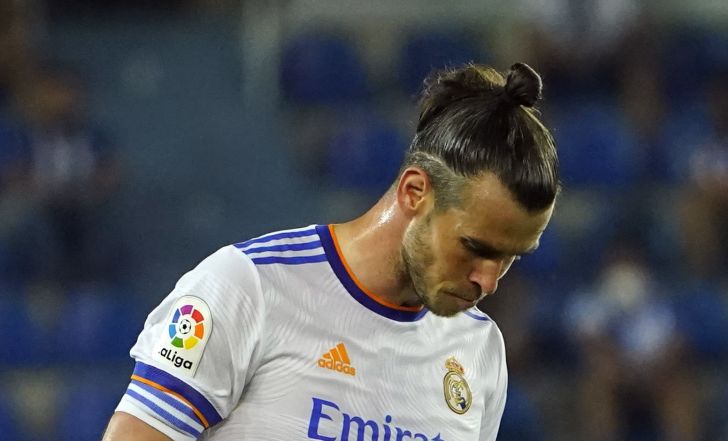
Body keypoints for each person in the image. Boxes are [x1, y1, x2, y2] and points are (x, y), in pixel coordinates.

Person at [102, 62, 559, 441]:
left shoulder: (479, 348)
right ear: (415, 192)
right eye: (475, 247)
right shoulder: (249, 287)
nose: (489, 281)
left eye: (511, 257)